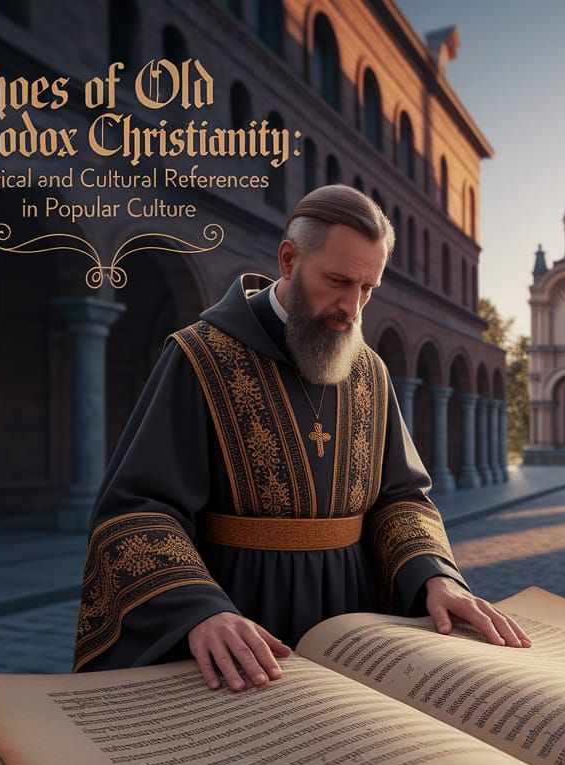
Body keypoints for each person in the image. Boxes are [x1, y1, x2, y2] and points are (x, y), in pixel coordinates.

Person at [72, 184, 530, 691]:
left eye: (367, 288)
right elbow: (137, 511)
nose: (352, 307)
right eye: (337, 281)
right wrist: (199, 610)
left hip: (356, 625)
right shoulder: (199, 358)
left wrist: (434, 575)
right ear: (289, 260)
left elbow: (400, 498)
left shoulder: (370, 372)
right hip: (240, 633)